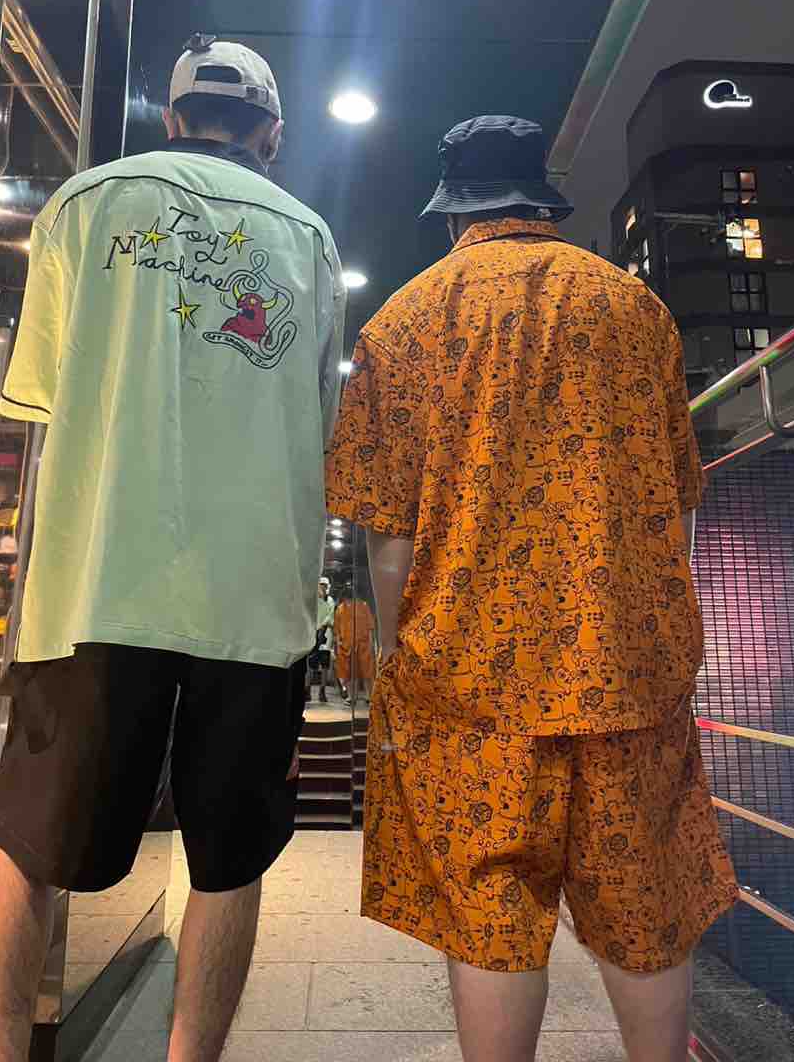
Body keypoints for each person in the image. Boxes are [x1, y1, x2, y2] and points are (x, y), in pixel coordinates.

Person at [324, 115, 738, 1062]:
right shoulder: (635, 310)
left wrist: (393, 647)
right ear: (542, 202)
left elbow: (388, 536)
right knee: (645, 902)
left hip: (469, 681)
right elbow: (675, 503)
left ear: (453, 213)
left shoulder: (405, 322)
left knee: (490, 915)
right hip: (625, 669)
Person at [0, 37, 345, 1062]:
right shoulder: (308, 239)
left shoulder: (82, 206)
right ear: (272, 133)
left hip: (97, 581)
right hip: (251, 595)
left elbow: (42, 393)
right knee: (228, 855)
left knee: (26, 838)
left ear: (174, 118)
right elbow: (318, 426)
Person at [333, 585, 377, 705]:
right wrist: (338, 644)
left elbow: (370, 627)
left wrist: (371, 644)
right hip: (347, 645)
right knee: (350, 673)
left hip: (362, 644)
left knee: (366, 671)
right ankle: (354, 696)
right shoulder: (341, 609)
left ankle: (367, 696)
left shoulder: (363, 606)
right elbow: (337, 630)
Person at [306, 575, 335, 704]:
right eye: (321, 585)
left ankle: (322, 691)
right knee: (311, 665)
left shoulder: (330, 600)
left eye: (324, 585)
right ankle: (307, 690)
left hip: (325, 636)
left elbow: (330, 616)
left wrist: (323, 626)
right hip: (313, 635)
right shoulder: (313, 600)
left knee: (324, 665)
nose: (322, 588)